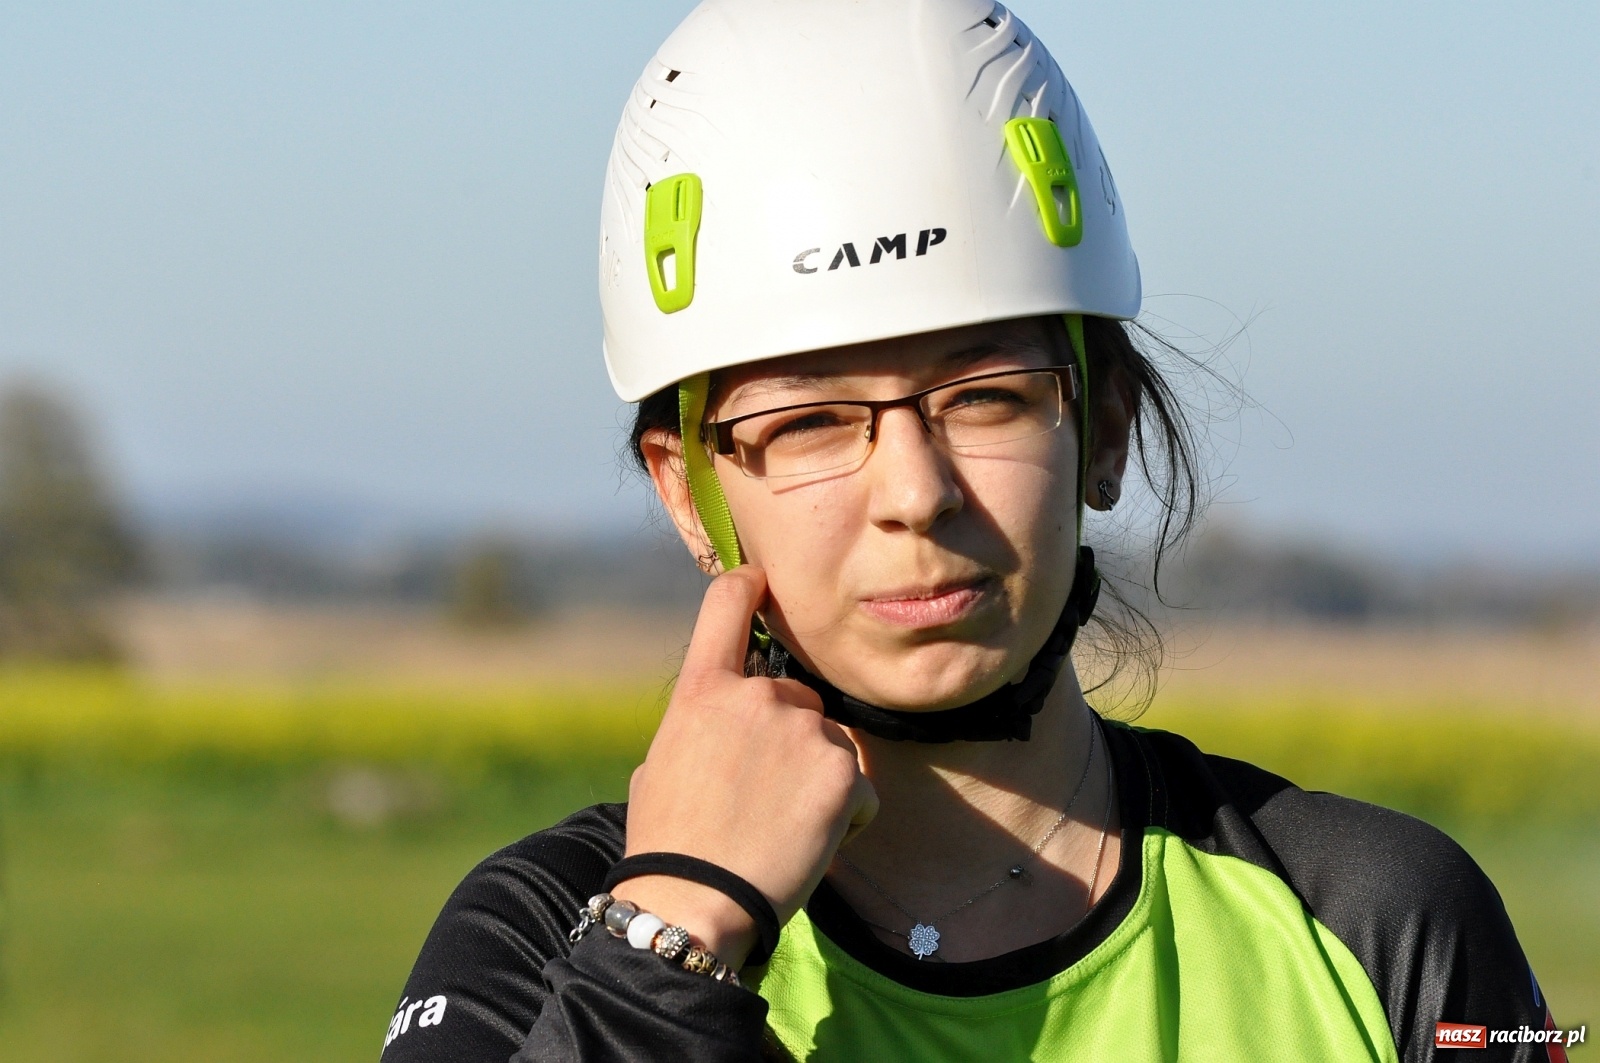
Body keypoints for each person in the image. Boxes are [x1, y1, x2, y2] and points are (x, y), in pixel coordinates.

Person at [382, 2, 1558, 1060]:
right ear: (690, 493)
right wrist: (673, 939)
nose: (914, 490)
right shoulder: (553, 934)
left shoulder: (1379, 916)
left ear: (1104, 428)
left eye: (985, 395)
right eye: (809, 421)